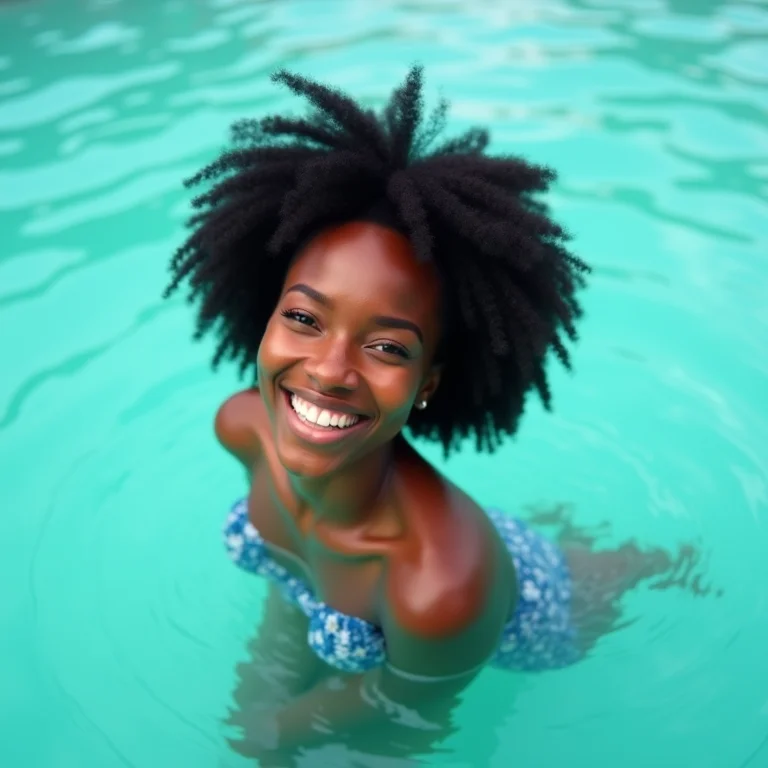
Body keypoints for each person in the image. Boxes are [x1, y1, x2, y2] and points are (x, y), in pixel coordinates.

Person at [164, 66, 705, 759]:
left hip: (517, 606)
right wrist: (264, 703)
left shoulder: (440, 587)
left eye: (387, 346)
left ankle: (654, 562)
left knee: (615, 575)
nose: (329, 371)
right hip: (422, 558)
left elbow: (405, 709)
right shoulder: (243, 428)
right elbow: (294, 576)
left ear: (427, 382)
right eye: (303, 317)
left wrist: (276, 731)